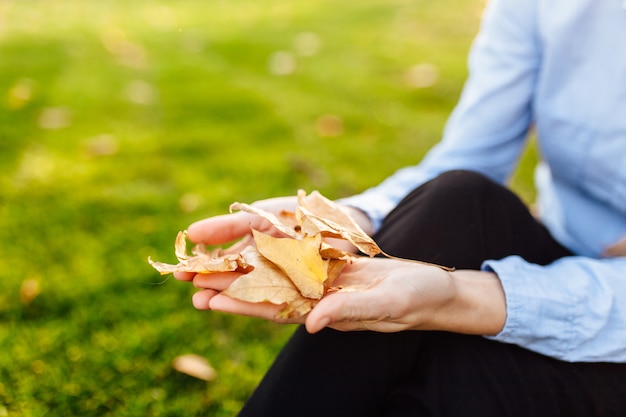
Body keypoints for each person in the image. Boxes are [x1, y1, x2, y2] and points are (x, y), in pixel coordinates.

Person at [174, 0, 626, 415]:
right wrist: (344, 224)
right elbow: (469, 157)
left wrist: (468, 298)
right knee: (459, 198)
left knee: (444, 383)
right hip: (566, 251)